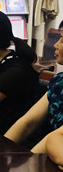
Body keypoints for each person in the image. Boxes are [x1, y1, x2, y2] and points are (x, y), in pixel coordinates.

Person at [5, 22, 63, 151]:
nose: (55, 45)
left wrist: (32, 159)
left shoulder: (14, 69)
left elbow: (56, 136)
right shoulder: (59, 82)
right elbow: (27, 123)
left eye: (62, 40)